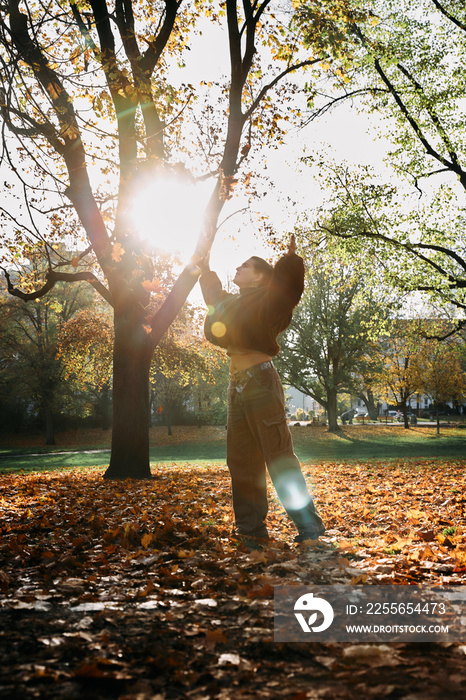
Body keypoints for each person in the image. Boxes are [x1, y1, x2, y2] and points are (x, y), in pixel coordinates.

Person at [197, 235, 325, 544]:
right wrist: (204, 266)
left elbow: (288, 293)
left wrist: (291, 262)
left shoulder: (269, 302)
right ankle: (250, 529)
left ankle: (308, 525)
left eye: (246, 265)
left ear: (260, 276)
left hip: (261, 382)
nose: (238, 267)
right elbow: (213, 294)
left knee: (278, 456)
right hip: (236, 386)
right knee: (241, 460)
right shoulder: (230, 302)